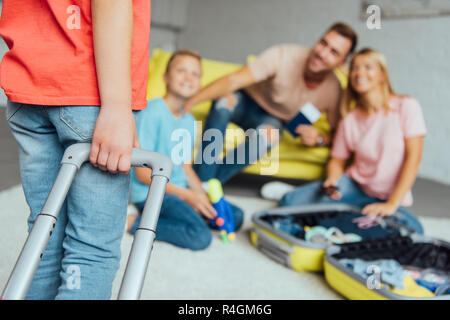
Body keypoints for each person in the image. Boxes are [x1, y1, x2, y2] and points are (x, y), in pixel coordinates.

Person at [1, 0, 151, 299]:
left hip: (29, 87)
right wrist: (117, 106)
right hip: (89, 93)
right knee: (92, 246)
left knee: (45, 233)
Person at [182, 22, 358, 184]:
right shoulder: (283, 55)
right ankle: (201, 183)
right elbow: (233, 81)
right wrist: (189, 102)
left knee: (269, 136)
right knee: (223, 101)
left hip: (271, 119)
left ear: (342, 63)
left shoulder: (334, 90)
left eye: (334, 52)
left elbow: (339, 134)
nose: (322, 52)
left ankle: (203, 185)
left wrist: (320, 139)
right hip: (244, 100)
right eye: (323, 43)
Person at [278, 48, 426, 235]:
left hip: (390, 198)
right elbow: (337, 159)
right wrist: (333, 179)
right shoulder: (350, 119)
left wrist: (391, 204)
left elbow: (414, 158)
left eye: (367, 67)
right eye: (354, 68)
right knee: (288, 202)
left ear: (382, 74)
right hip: (353, 188)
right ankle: (343, 218)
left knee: (411, 230)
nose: (359, 73)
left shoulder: (406, 106)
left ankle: (338, 220)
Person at [128, 50, 244, 251]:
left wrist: (202, 194)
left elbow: (184, 166)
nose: (188, 77)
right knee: (200, 236)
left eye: (195, 74)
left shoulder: (188, 120)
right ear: (165, 77)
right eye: (181, 70)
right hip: (152, 193)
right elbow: (142, 173)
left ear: (199, 84)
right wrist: (188, 197)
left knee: (236, 216)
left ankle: (187, 213)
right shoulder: (151, 112)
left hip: (180, 190)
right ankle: (133, 222)